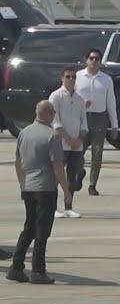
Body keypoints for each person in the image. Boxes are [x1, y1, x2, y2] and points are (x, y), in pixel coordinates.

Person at [6, 101, 72, 284]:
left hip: (28, 186)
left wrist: (22, 184)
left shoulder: (24, 133)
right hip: (45, 188)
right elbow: (57, 166)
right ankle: (38, 270)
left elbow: (18, 162)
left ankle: (17, 266)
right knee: (42, 230)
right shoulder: (52, 136)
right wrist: (67, 190)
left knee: (29, 228)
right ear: (50, 114)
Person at [75, 49, 118, 196]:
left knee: (97, 152)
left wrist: (114, 125)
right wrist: (81, 104)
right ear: (86, 60)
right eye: (91, 58)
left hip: (100, 118)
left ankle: (93, 184)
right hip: (82, 118)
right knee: (78, 151)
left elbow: (111, 103)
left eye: (97, 59)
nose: (94, 61)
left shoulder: (106, 79)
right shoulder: (78, 77)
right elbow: (71, 98)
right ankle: (79, 173)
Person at [49, 66, 88, 219]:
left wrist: (79, 139)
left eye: (73, 77)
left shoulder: (79, 99)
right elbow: (55, 122)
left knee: (73, 176)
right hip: (61, 144)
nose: (71, 79)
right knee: (57, 177)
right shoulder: (56, 96)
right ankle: (52, 207)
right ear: (62, 78)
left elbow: (83, 123)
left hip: (76, 146)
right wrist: (68, 139)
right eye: (68, 77)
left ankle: (68, 207)